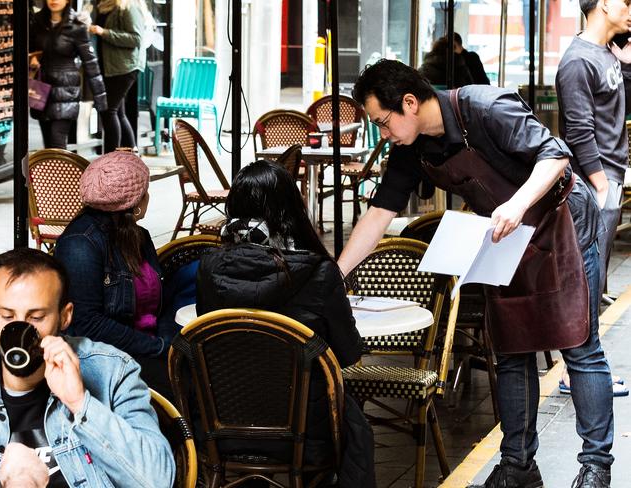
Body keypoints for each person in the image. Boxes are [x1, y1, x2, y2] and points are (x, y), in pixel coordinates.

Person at [341, 59, 614, 488]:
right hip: (505, 236)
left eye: (382, 121)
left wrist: (517, 204)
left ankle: (596, 466)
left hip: (562, 220)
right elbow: (378, 214)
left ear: (409, 103)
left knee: (577, 341)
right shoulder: (412, 150)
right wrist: (338, 274)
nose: (383, 133)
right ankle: (518, 466)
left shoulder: (485, 106)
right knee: (510, 347)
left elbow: (556, 155)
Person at [197, 160, 374, 487]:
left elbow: (208, 338)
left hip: (221, 428)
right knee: (355, 423)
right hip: (305, 434)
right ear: (292, 209)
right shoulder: (319, 272)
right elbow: (349, 355)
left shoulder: (209, 269)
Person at [0, 248, 175, 487]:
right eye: (7, 316)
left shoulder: (113, 371)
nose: (20, 329)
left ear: (65, 316)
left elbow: (159, 480)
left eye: (37, 317)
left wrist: (80, 403)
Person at [54, 151, 180, 400]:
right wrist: (157, 348)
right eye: (146, 189)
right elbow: (87, 324)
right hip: (108, 357)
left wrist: (169, 343)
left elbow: (160, 302)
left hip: (149, 347)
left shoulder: (138, 236)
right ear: (136, 201)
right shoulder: (80, 244)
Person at [556, 0, 631, 400]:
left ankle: (583, 373)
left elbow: (617, 109)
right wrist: (601, 187)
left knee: (596, 277)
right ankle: (577, 375)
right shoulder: (577, 61)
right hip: (593, 185)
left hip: (610, 177)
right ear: (603, 4)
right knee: (586, 282)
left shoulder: (606, 54)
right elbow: (579, 130)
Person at [29, 0, 107, 149]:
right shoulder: (37, 23)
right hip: (42, 90)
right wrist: (32, 58)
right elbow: (31, 49)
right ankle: (54, 173)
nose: (54, 1)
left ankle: (61, 172)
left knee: (57, 144)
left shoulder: (76, 26)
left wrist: (100, 99)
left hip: (66, 91)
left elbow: (91, 63)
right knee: (48, 147)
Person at [89, 0, 148, 152]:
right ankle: (132, 151)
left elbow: (136, 39)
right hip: (110, 66)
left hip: (124, 67)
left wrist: (104, 32)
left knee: (109, 111)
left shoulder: (128, 6)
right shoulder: (105, 6)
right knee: (118, 112)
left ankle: (110, 159)